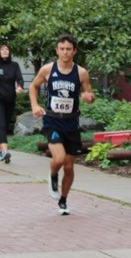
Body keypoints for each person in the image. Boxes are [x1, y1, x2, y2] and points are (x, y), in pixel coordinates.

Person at [29, 34, 94, 215]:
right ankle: (52, 176)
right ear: (57, 50)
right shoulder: (48, 69)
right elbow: (33, 87)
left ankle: (63, 200)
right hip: (52, 120)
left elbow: (90, 93)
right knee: (58, 158)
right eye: (62, 49)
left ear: (74, 51)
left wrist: (89, 98)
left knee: (69, 166)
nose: (65, 52)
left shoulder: (81, 73)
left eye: (68, 49)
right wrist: (35, 105)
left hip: (72, 123)